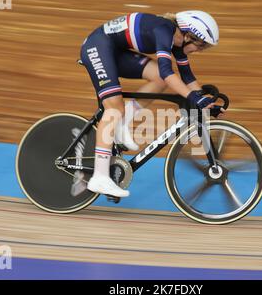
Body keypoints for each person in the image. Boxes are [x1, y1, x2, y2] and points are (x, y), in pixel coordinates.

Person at [80, 10, 224, 198]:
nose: (199, 50)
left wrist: (207, 102)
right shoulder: (164, 30)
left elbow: (187, 77)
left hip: (114, 51)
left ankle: (124, 122)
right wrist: (195, 98)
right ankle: (99, 176)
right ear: (189, 34)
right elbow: (168, 72)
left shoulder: (178, 42)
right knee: (114, 107)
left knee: (159, 79)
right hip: (97, 46)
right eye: (200, 45)